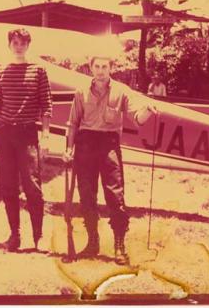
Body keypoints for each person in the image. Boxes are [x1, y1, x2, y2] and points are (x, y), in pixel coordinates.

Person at [63, 56, 156, 265]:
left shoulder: (122, 91)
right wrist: (69, 149)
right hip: (85, 144)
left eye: (105, 66)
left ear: (111, 68)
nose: (101, 70)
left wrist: (148, 110)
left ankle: (119, 245)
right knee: (87, 195)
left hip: (108, 145)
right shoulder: (80, 91)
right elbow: (73, 124)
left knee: (115, 195)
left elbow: (138, 118)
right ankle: (92, 243)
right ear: (91, 68)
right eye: (97, 66)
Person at [0, 28, 52, 252]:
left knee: (32, 186)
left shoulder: (39, 70)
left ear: (28, 45)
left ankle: (39, 237)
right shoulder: (0, 71)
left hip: (27, 135)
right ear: (9, 45)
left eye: (22, 42)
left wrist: (45, 136)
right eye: (14, 42)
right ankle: (14, 235)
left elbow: (46, 105)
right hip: (3, 134)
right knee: (8, 186)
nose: (18, 46)